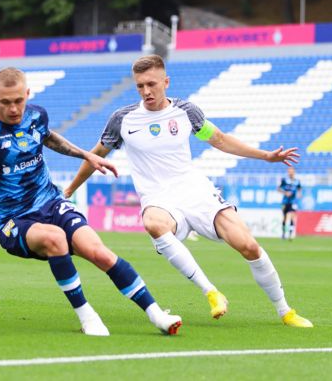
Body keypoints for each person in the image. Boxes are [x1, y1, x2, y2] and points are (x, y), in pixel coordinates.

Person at [64, 54, 313, 328]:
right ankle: (211, 292)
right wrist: (69, 190)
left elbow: (219, 140)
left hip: (195, 190)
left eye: (151, 84)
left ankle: (285, 311)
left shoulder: (186, 112)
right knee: (153, 223)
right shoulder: (123, 119)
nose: (146, 91)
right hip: (158, 198)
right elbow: (95, 156)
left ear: (166, 82)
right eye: (140, 86)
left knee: (248, 245)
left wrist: (265, 156)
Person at [0, 67, 182, 336]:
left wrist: (86, 155)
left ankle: (156, 314)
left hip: (51, 203)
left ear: (27, 94)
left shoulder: (37, 115)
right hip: (14, 219)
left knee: (99, 252)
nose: (13, 109)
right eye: (5, 102)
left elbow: (48, 137)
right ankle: (88, 317)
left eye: (18, 101)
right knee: (55, 238)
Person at [278, 166, 302, 240]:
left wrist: (299, 194)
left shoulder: (297, 181)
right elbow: (278, 189)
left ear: (294, 172)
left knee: (292, 216)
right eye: (289, 171)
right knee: (285, 217)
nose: (290, 172)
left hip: (293, 201)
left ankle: (291, 234)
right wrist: (285, 193)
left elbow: (299, 189)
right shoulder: (284, 180)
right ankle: (283, 234)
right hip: (285, 201)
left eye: (292, 171)